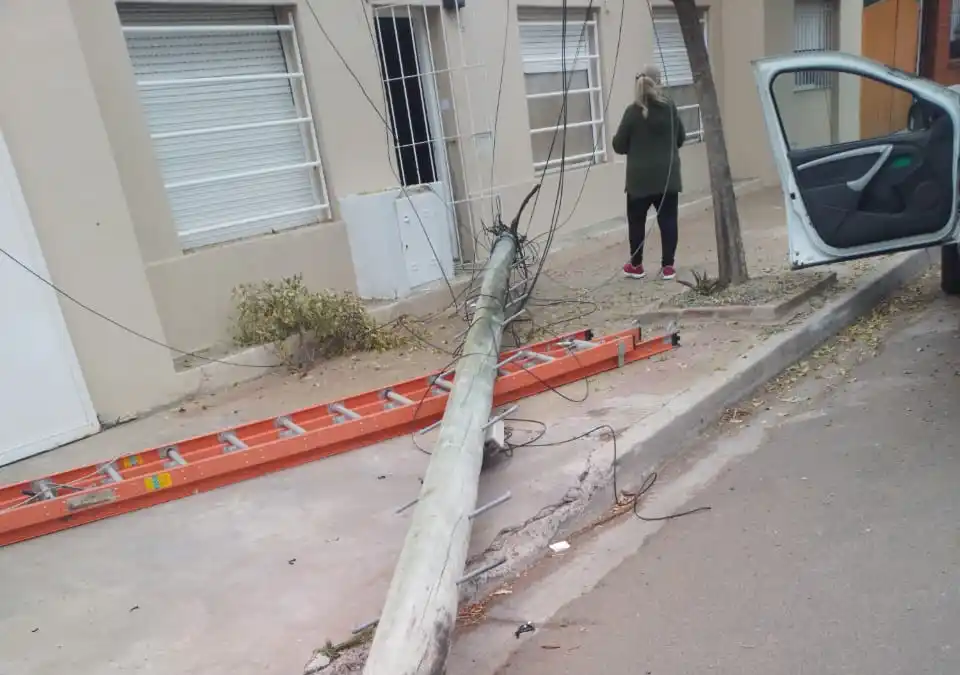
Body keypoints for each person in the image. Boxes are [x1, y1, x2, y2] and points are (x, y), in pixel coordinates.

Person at [612, 65, 686, 280]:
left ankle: (636, 266)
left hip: (639, 181)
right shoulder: (670, 107)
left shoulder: (632, 112)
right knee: (668, 221)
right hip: (667, 178)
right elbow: (681, 137)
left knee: (636, 222)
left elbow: (619, 145)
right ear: (659, 83)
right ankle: (668, 267)